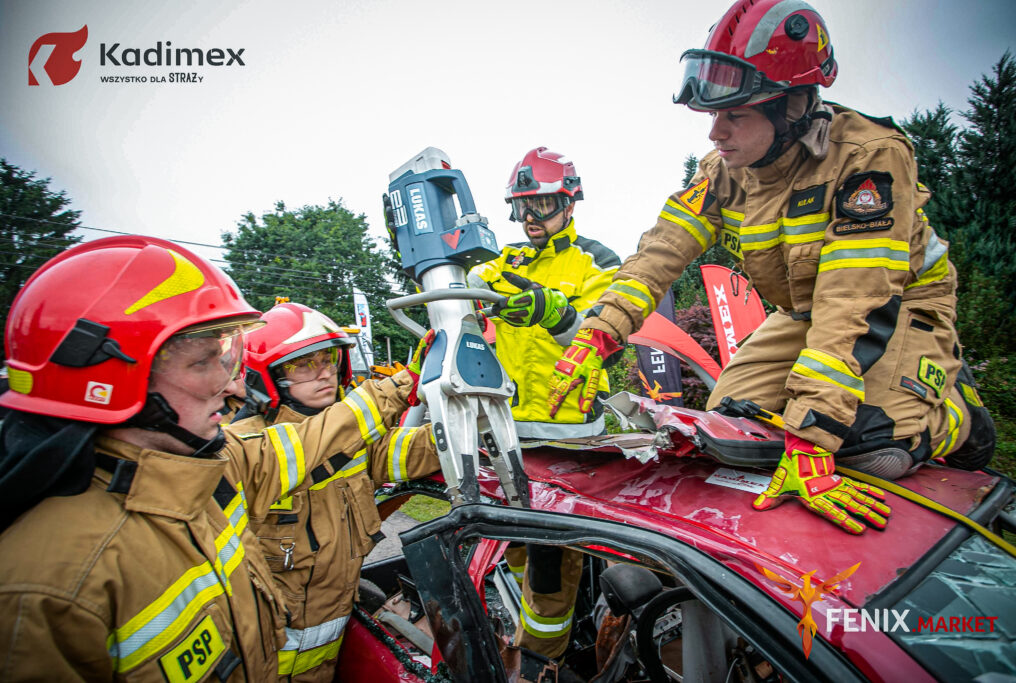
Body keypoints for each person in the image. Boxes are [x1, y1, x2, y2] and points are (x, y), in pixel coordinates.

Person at [548, 0, 994, 536]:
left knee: (868, 452)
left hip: (899, 307)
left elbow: (854, 300)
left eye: (735, 115)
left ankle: (956, 416)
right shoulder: (721, 171)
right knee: (729, 429)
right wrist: (599, 333)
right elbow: (659, 254)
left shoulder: (868, 156)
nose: (715, 133)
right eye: (712, 115)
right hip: (801, 312)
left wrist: (812, 441)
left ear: (792, 106)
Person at [0, 236, 436, 680]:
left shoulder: (203, 469)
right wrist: (403, 382)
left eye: (225, 360)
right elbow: (313, 441)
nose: (231, 386)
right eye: (202, 363)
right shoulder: (42, 588)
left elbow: (355, 443)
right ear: (109, 379)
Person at [468, 147, 620, 660]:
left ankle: (543, 662)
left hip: (570, 444)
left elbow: (605, 339)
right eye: (521, 206)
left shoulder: (597, 262)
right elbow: (467, 287)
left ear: (570, 204)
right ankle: (538, 623)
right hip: (511, 437)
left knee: (550, 568)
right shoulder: (506, 262)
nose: (529, 217)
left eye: (542, 204)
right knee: (514, 545)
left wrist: (556, 314)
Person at [230, 302, 434, 680]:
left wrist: (470, 416)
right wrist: (405, 381)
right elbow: (318, 441)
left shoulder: (352, 438)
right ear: (267, 375)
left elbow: (410, 452)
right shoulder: (245, 446)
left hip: (329, 658)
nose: (323, 372)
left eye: (328, 359)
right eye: (303, 364)